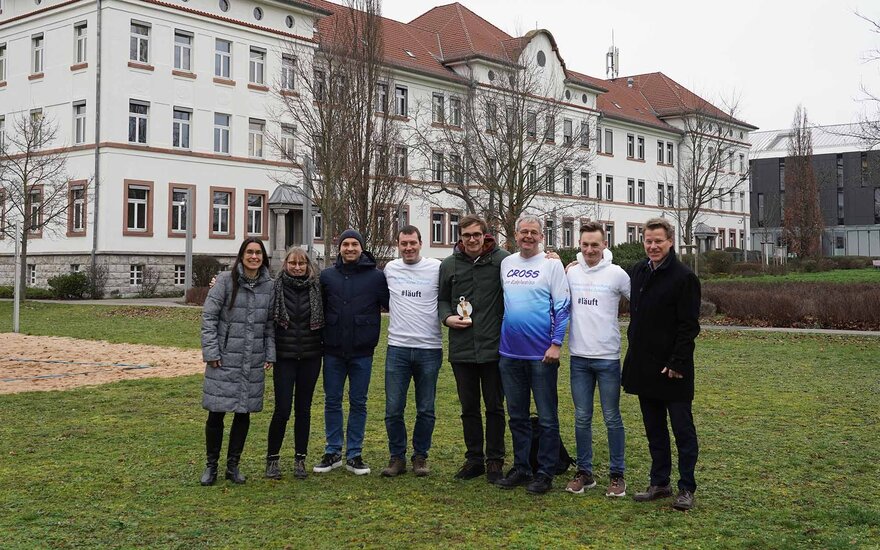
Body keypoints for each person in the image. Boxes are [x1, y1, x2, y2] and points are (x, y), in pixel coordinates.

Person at [623, 217, 701, 511]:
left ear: (670, 242)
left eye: (658, 241)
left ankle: (686, 487)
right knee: (654, 429)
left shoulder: (684, 277)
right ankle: (660, 482)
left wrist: (677, 362)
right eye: (648, 241)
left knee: (682, 430)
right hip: (645, 366)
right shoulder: (639, 271)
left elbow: (688, 326)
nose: (653, 246)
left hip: (673, 370)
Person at [494, 215, 571, 495]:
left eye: (533, 232)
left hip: (542, 355)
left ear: (542, 236)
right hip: (510, 353)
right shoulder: (507, 264)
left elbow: (563, 306)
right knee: (517, 416)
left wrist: (556, 344)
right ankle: (522, 467)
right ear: (515, 235)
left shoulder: (551, 264)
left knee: (548, 417)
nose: (528, 236)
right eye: (523, 232)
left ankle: (545, 472)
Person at [438, 215, 509, 483]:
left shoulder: (502, 261)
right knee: (469, 407)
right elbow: (442, 299)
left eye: (476, 235)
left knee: (494, 407)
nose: (472, 240)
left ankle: (495, 460)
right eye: (466, 235)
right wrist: (447, 317)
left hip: (494, 347)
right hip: (462, 348)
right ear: (460, 237)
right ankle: (474, 459)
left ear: (485, 235)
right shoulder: (449, 264)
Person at [200, 237, 275, 485]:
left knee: (243, 413)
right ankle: (211, 466)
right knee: (216, 412)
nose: (254, 257)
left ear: (263, 257)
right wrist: (211, 352)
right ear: (241, 255)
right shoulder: (224, 281)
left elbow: (270, 325)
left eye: (258, 253)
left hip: (252, 359)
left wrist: (269, 353)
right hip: (223, 358)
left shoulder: (269, 286)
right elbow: (209, 317)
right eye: (249, 252)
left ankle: (233, 466)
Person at [313, 229, 389, 476]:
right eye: (345, 244)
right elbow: (315, 305)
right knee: (332, 401)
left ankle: (354, 454)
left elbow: (391, 302)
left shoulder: (376, 277)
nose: (350, 248)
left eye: (354, 244)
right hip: (333, 350)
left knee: (359, 402)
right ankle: (333, 450)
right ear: (340, 248)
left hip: (362, 351)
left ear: (361, 248)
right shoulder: (327, 276)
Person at [564, 222, 631, 497]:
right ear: (579, 246)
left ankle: (617, 475)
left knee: (612, 418)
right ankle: (585, 472)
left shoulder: (617, 275)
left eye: (595, 244)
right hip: (579, 358)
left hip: (607, 359)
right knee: (581, 418)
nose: (590, 249)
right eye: (585, 245)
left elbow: (642, 300)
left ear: (605, 245)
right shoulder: (570, 272)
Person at [380, 226, 443, 478]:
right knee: (393, 408)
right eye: (403, 243)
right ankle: (397, 456)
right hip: (398, 348)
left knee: (425, 408)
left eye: (412, 243)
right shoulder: (390, 269)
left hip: (429, 348)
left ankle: (420, 456)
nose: (408, 248)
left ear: (421, 242)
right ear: (398, 244)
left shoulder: (436, 268)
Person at [264, 248, 324, 481]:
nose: (297, 267)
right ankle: (272, 459)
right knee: (282, 409)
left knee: (304, 410)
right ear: (285, 264)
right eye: (292, 263)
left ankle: (300, 459)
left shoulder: (318, 288)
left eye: (301, 263)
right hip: (285, 357)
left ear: (308, 265)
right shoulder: (274, 287)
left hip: (311, 356)